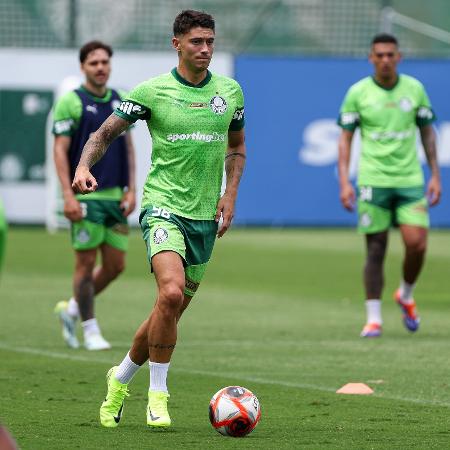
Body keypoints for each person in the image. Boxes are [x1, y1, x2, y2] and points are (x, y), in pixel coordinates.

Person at [72, 10, 246, 428]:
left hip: (204, 217)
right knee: (168, 294)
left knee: (165, 315)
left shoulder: (230, 92)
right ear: (177, 44)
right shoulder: (152, 91)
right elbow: (104, 134)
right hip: (162, 206)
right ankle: (158, 395)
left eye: (210, 41)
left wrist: (230, 194)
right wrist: (83, 166)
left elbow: (236, 148)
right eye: (196, 42)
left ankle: (120, 378)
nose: (205, 49)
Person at [337, 33, 441, 338]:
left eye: (390, 55)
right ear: (371, 58)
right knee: (376, 250)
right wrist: (345, 180)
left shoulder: (414, 89)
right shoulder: (358, 93)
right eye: (379, 55)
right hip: (373, 181)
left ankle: (406, 295)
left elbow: (428, 133)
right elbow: (345, 139)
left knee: (417, 244)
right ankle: (373, 319)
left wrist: (435, 173)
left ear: (399, 57)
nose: (385, 60)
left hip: (409, 180)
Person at [52, 41, 136, 351]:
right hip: (84, 197)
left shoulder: (120, 101)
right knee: (85, 265)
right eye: (93, 62)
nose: (100, 67)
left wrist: (131, 187)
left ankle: (71, 309)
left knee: (116, 266)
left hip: (114, 198)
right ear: (83, 67)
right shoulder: (71, 103)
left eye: (104, 62)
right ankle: (90, 329)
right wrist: (68, 196)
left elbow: (126, 147)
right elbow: (60, 151)